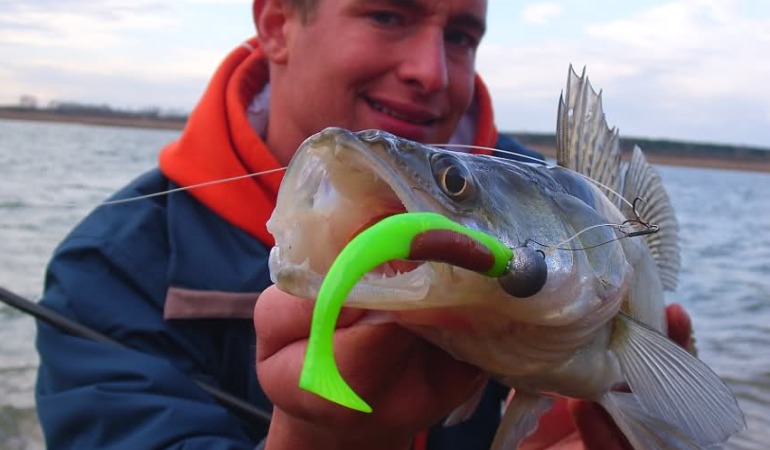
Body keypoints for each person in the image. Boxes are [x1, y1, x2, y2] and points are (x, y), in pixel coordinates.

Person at [34, 0, 693, 449]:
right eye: (387, 13)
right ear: (277, 22)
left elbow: (661, 411)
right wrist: (318, 441)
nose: (430, 71)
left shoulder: (540, 204)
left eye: (462, 35)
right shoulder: (106, 270)